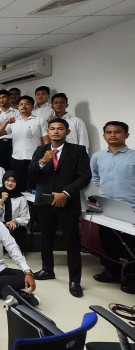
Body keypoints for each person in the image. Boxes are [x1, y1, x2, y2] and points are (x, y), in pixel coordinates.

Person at [28, 118, 91, 298]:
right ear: (48, 131)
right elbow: (31, 174)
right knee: (46, 238)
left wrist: (66, 193)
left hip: (67, 202)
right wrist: (42, 162)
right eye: (52, 128)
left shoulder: (78, 150)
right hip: (44, 201)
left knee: (72, 242)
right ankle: (47, 269)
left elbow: (84, 176)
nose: (55, 131)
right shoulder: (40, 150)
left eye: (60, 128)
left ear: (67, 132)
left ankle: (75, 280)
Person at [90, 121, 135, 293]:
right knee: (108, 241)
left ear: (126, 135)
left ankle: (131, 277)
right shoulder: (98, 157)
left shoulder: (133, 156)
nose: (113, 135)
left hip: (131, 207)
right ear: (104, 136)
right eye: (109, 132)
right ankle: (111, 271)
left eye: (117, 132)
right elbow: (95, 176)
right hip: (107, 207)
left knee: (132, 245)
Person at [0, 95, 50, 193]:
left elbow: (46, 141)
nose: (24, 106)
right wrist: (6, 122)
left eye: (27, 104)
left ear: (32, 106)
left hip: (34, 159)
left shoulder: (40, 120)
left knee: (33, 185)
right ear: (18, 107)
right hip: (16, 158)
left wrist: (45, 156)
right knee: (18, 186)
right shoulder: (14, 122)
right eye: (21, 104)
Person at [0, 172, 30, 250]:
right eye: (7, 180)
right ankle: (0, 250)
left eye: (13, 181)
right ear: (3, 181)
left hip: (15, 226)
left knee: (13, 230)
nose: (10, 183)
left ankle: (14, 251)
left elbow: (25, 217)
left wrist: (15, 221)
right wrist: (2, 201)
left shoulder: (21, 198)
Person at [0, 89, 19, 170]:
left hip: (13, 142)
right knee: (0, 167)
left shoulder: (16, 112)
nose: (1, 100)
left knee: (13, 165)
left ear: (9, 98)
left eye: (4, 97)